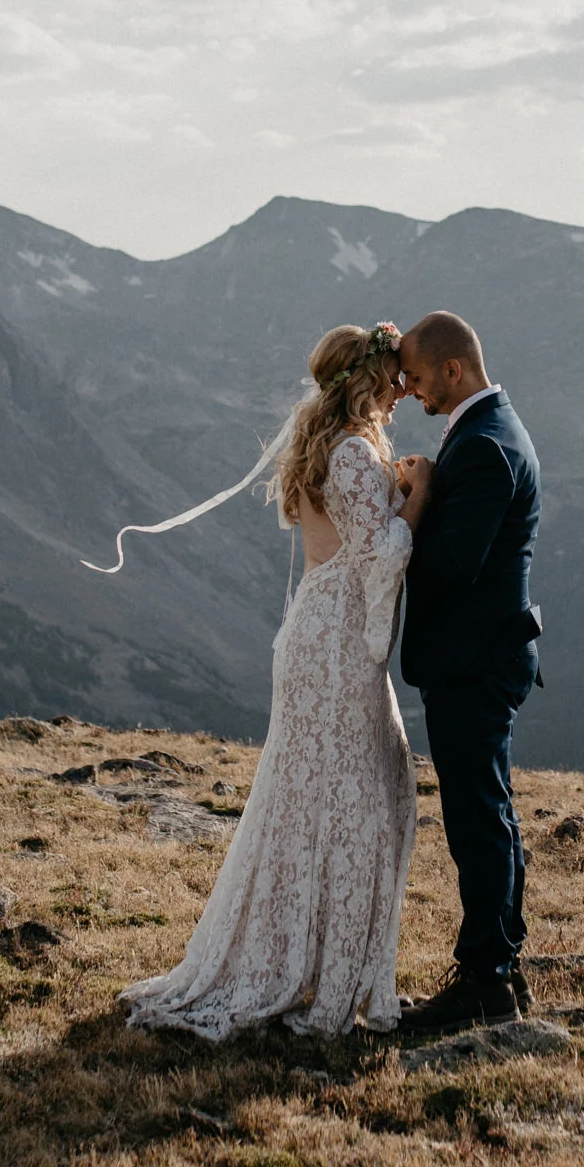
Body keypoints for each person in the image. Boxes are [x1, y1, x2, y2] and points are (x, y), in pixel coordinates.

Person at [119, 323, 423, 1038]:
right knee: (360, 802)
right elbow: (381, 554)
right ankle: (315, 975)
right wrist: (419, 496)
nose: (402, 393)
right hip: (337, 642)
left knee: (325, 795)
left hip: (321, 630)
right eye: (394, 379)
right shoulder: (351, 451)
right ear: (369, 379)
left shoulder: (334, 445)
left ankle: (311, 960)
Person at [390, 310, 544, 1033]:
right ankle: (500, 968)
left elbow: (454, 566)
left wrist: (413, 507)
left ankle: (485, 977)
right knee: (490, 812)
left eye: (418, 379)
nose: (412, 392)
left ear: (454, 371)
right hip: (482, 656)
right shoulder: (489, 431)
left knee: (477, 819)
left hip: (476, 661)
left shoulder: (485, 446)